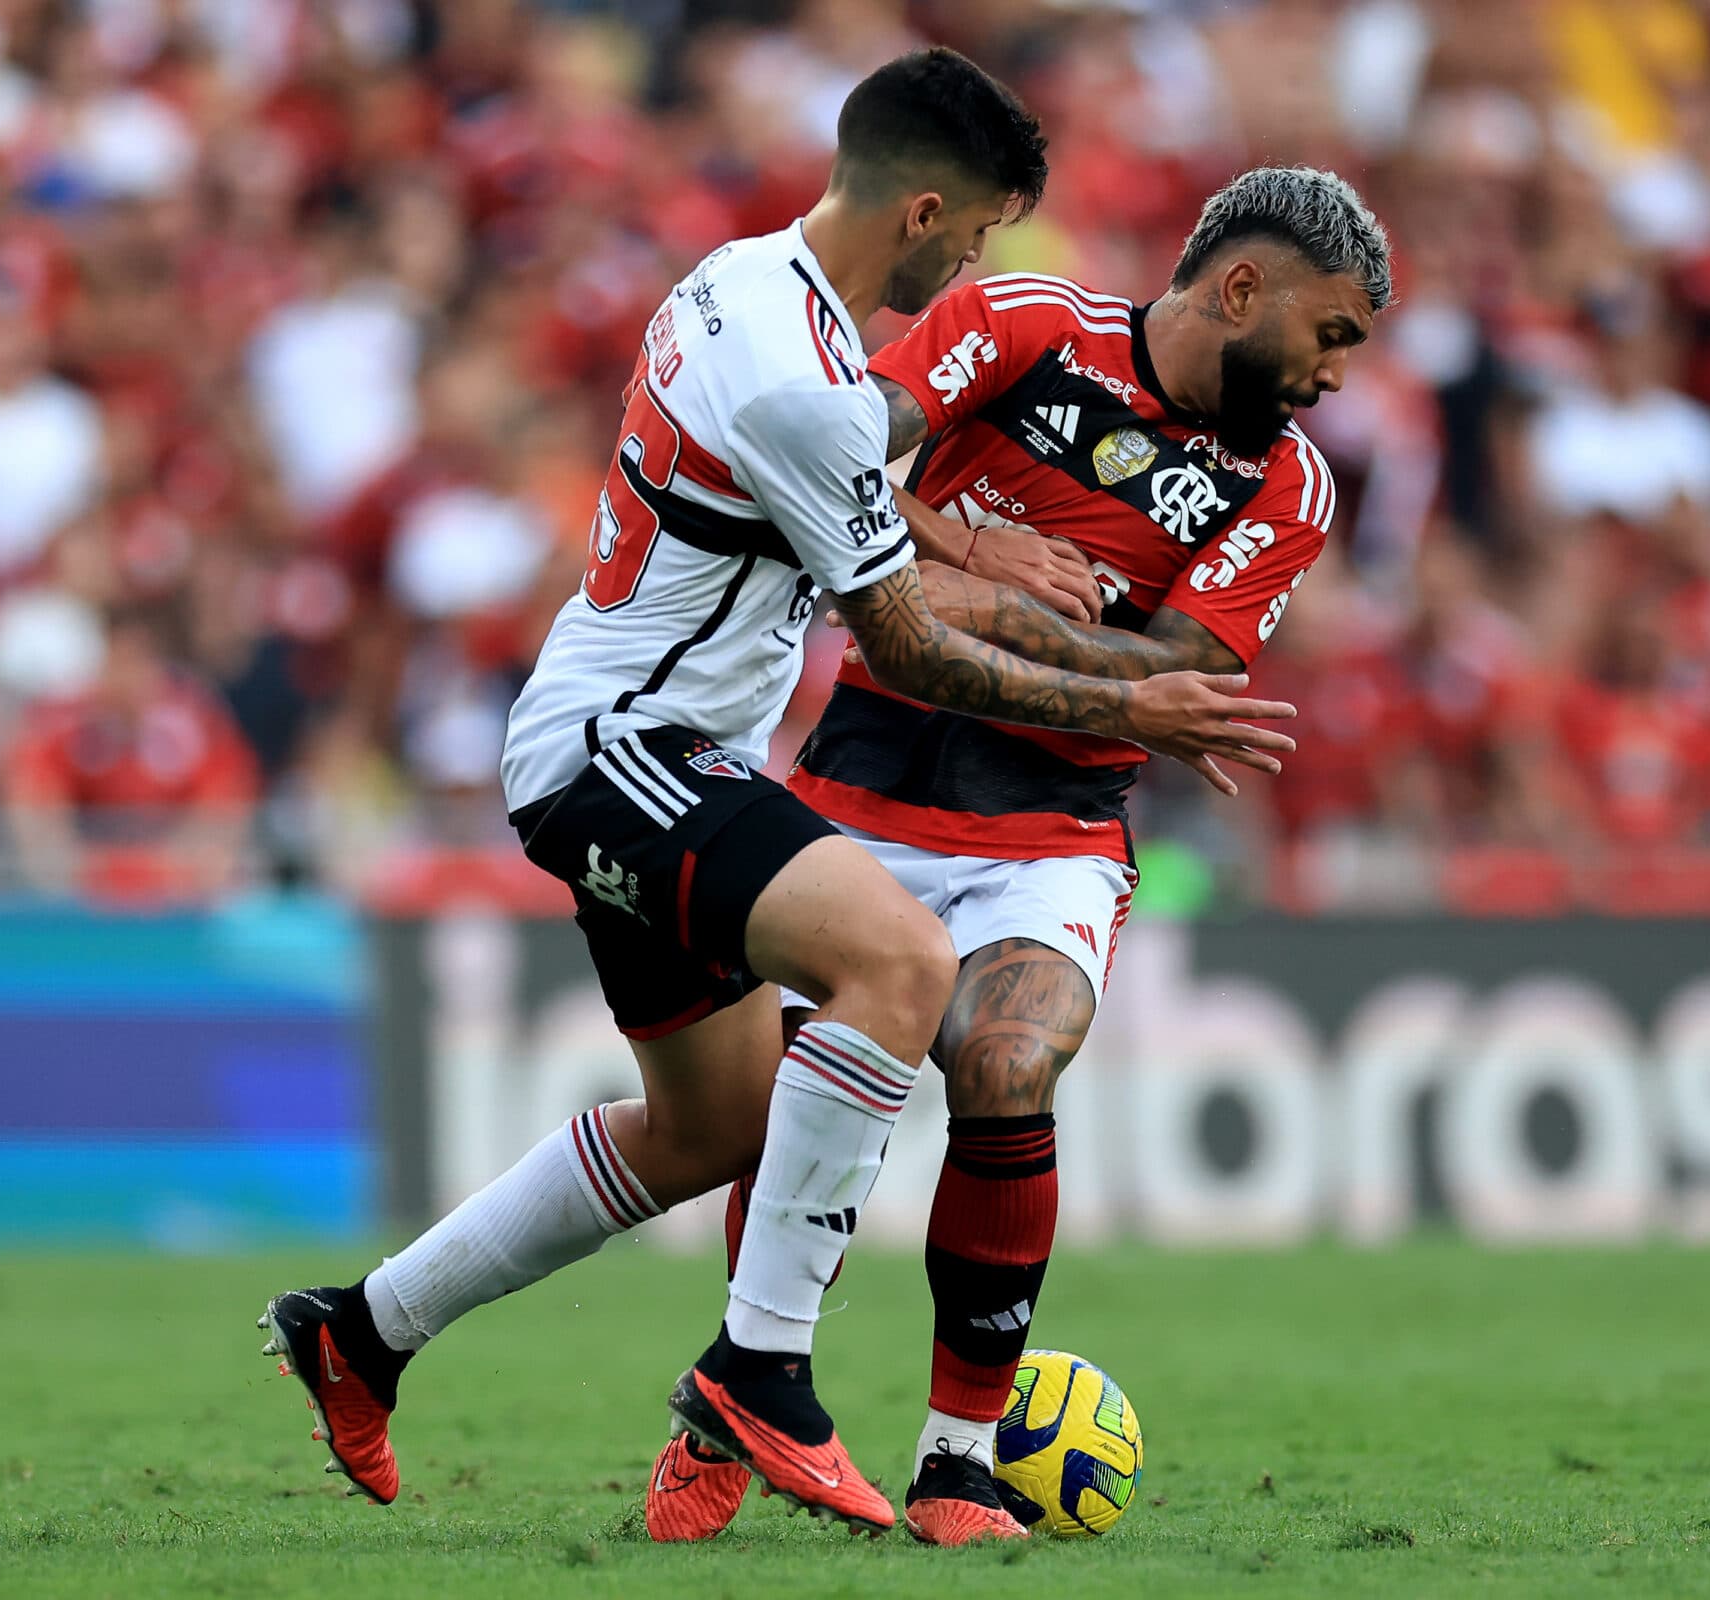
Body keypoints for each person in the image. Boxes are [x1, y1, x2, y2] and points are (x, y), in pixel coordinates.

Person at [256, 49, 1296, 1535]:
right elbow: (914, 654)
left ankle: (360, 1333)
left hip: (646, 746)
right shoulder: (802, 372)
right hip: (623, 752)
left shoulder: (753, 289)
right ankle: (762, 1375)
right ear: (926, 211)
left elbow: (856, 484)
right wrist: (1135, 703)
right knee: (898, 960)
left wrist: (978, 541)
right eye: (983, 233)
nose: (976, 263)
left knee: (710, 1128)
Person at [645, 165, 1394, 1545]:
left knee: (1006, 1061)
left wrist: (934, 591)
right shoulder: (1026, 323)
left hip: (1051, 833)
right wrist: (968, 547)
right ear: (1242, 289)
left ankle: (958, 1463)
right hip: (862, 787)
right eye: (1330, 335)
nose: (1336, 376)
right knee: (799, 1094)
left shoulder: (1290, 485)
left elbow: (1176, 678)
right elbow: (835, 452)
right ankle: (735, 1409)